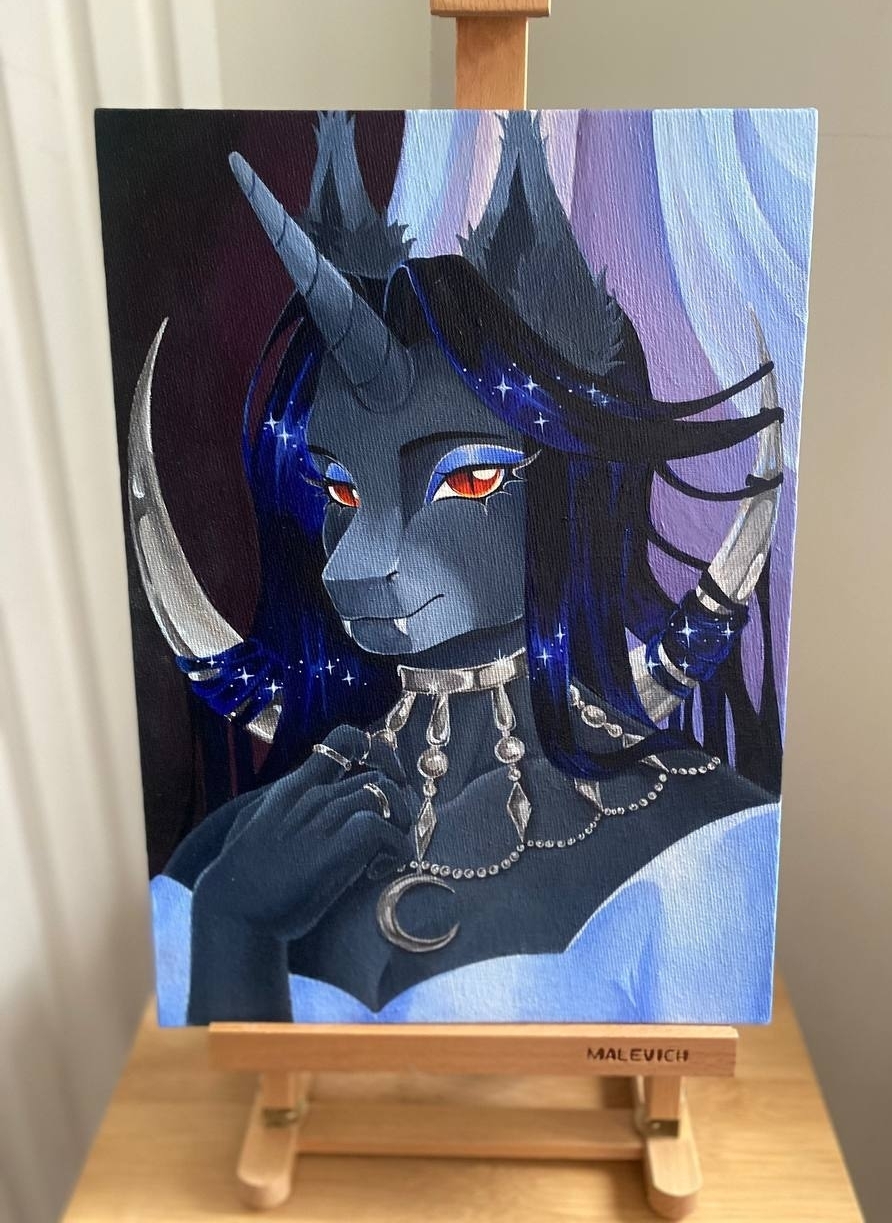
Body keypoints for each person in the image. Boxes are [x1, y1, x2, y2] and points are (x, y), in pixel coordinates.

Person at [139, 114, 783, 1025]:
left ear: (567, 485)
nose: (356, 562)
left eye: (467, 476)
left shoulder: (711, 844)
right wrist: (236, 925)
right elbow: (199, 1104)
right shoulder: (233, 857)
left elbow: (718, 1102)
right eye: (341, 489)